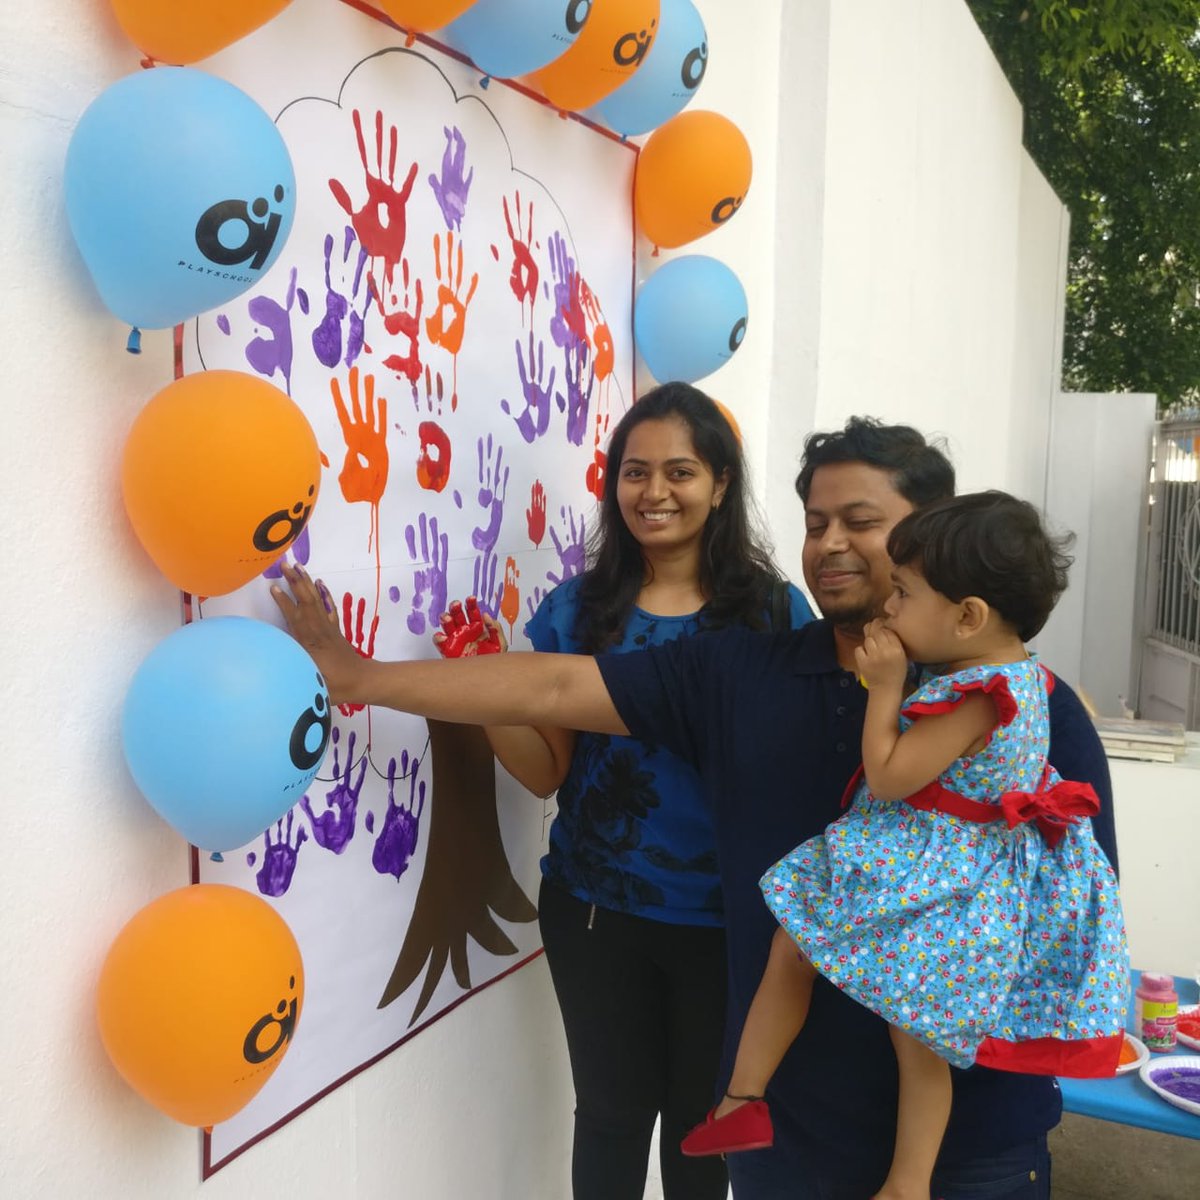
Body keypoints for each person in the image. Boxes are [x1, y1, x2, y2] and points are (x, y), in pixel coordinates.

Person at [271, 417, 1119, 1199]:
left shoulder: (1025, 712)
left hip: (968, 1153)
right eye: (815, 521)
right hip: (788, 1141)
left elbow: (1071, 915)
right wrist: (362, 678)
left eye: (861, 522)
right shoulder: (739, 672)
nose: (829, 544)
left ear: (933, 536)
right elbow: (558, 683)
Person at [677, 491, 1128, 1200]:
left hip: (932, 878)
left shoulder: (981, 696)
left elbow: (889, 777)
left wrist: (884, 689)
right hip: (949, 871)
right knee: (836, 981)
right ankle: (748, 1106)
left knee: (891, 1023)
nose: (886, 608)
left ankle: (869, 1161)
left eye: (903, 595)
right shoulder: (1020, 678)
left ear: (968, 616)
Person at [427, 383, 812, 1200]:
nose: (656, 492)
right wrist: (484, 687)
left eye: (681, 471)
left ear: (720, 484)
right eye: (635, 472)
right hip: (595, 910)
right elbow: (546, 771)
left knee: (699, 1129)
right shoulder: (578, 608)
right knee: (608, 1116)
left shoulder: (775, 614)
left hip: (727, 920)